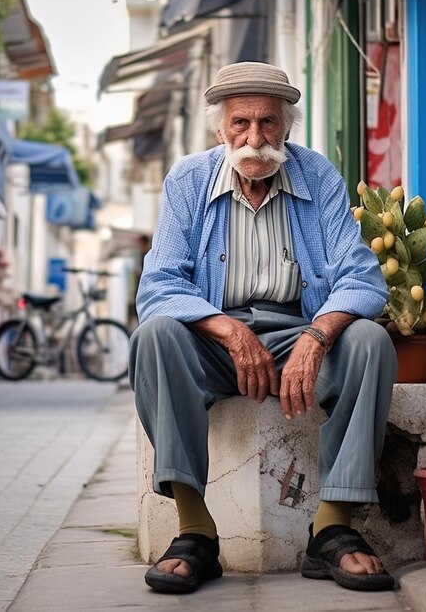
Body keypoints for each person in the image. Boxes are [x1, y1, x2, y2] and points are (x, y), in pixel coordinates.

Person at [129, 61, 397, 594]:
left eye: (268, 123)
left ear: (288, 126)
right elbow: (158, 285)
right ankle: (195, 532)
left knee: (370, 341)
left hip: (300, 330)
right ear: (220, 129)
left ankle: (332, 528)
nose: (255, 137)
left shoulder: (317, 175)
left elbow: (363, 277)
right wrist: (228, 331)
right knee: (155, 336)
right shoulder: (188, 178)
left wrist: (318, 337)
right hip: (213, 340)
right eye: (240, 124)